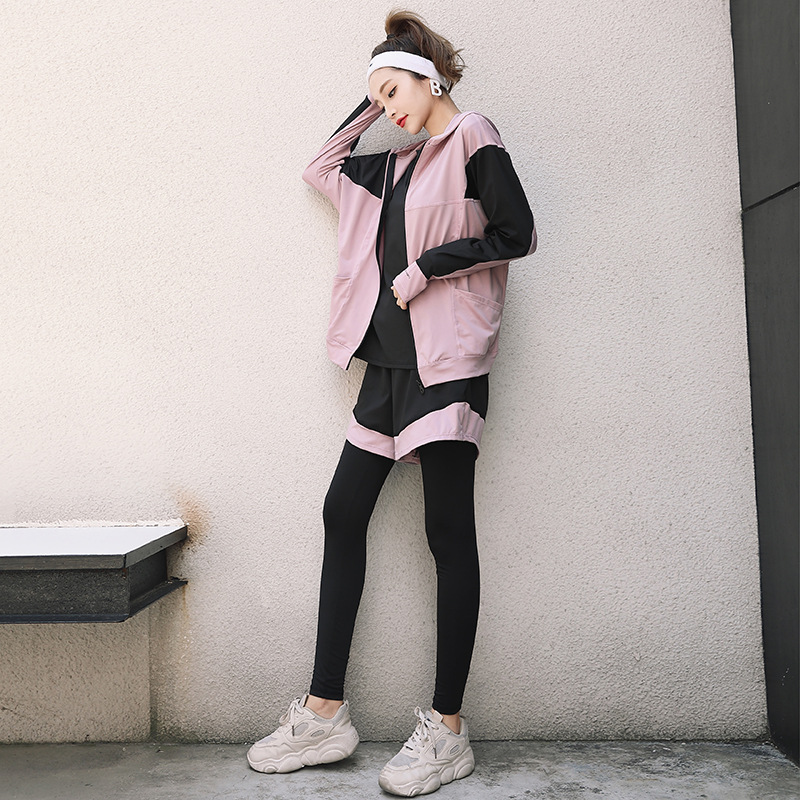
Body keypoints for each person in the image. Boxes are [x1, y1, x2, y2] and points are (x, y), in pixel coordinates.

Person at [247, 9, 536, 796]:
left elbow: (517, 232)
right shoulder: (392, 166)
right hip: (385, 372)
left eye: (395, 92)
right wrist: (376, 96)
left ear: (430, 80)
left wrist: (429, 266)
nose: (388, 107)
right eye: (378, 97)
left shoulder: (473, 136)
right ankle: (325, 714)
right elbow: (321, 166)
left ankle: (448, 731)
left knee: (446, 532)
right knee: (342, 512)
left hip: (447, 364)